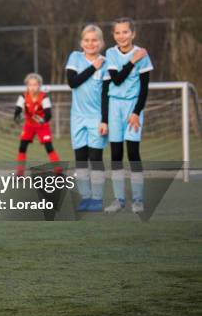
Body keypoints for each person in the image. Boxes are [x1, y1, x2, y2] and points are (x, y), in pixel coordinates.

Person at [104, 18, 152, 214]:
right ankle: (119, 199)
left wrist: (136, 112)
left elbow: (144, 88)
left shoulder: (144, 56)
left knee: (133, 153)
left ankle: (138, 199)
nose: (122, 36)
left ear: (133, 34)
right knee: (116, 154)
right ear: (113, 35)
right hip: (115, 106)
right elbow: (116, 79)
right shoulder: (110, 53)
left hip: (133, 107)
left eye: (125, 32)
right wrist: (133, 60)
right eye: (118, 33)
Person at [65, 25, 110, 212]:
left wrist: (105, 120)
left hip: (96, 118)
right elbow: (72, 82)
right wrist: (93, 67)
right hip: (77, 117)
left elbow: (106, 95)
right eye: (87, 40)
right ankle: (85, 197)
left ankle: (97, 198)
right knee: (81, 159)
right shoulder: (75, 57)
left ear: (101, 43)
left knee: (96, 158)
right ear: (81, 42)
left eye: (94, 40)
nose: (90, 43)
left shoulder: (107, 63)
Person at [14, 73, 60, 175]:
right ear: (27, 85)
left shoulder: (44, 97)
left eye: (35, 84)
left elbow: (48, 114)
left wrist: (43, 120)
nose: (32, 87)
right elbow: (17, 111)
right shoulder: (23, 96)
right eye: (30, 85)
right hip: (29, 124)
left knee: (49, 147)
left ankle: (58, 171)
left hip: (41, 125)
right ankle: (19, 174)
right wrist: (18, 117)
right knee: (22, 147)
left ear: (39, 85)